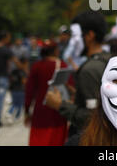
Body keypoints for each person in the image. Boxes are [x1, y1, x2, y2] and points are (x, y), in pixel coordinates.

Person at [45, 11, 110, 140]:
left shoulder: (89, 69)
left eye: (75, 36)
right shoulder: (109, 59)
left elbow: (93, 118)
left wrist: (60, 105)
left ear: (90, 36)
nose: (72, 42)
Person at [24, 40, 68, 146]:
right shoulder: (62, 65)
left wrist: (26, 111)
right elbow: (69, 88)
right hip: (58, 112)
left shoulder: (37, 66)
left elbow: (29, 90)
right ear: (56, 51)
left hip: (40, 112)